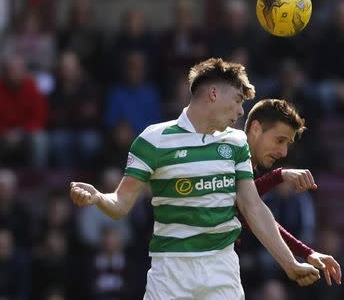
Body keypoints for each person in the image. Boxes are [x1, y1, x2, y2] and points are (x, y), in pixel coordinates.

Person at [69, 58, 320, 299]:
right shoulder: (153, 140)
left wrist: (290, 263)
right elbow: (120, 204)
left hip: (221, 267)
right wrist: (98, 197)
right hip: (171, 271)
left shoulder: (236, 142)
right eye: (237, 100)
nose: (240, 111)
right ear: (213, 94)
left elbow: (252, 206)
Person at [244, 99, 342, 286]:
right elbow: (245, 207)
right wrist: (278, 176)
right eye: (279, 140)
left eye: (287, 144)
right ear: (255, 129)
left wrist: (307, 253)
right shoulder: (228, 155)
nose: (283, 152)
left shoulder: (245, 166)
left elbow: (251, 207)